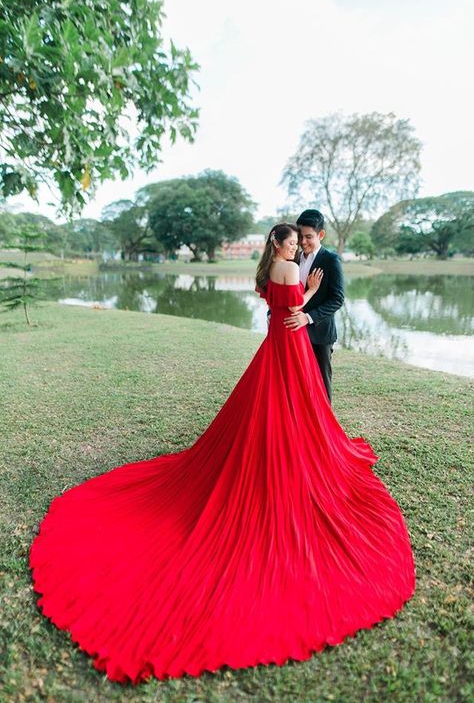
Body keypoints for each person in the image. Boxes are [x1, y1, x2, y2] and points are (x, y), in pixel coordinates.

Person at [30, 223, 415, 685]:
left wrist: (300, 298)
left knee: (277, 405)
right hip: (288, 344)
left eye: (299, 243)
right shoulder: (290, 268)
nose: (297, 248)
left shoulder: (269, 268)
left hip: (278, 342)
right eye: (292, 242)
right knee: (291, 406)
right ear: (279, 244)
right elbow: (292, 311)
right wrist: (309, 294)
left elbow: (275, 307)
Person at [284, 209, 344, 402]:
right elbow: (284, 292)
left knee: (321, 383)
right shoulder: (292, 258)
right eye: (300, 236)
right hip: (292, 332)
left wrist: (307, 317)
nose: (303, 242)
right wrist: (271, 313)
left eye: (309, 237)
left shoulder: (331, 260)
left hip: (319, 333)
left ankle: (324, 428)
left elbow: (337, 299)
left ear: (321, 234)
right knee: (295, 382)